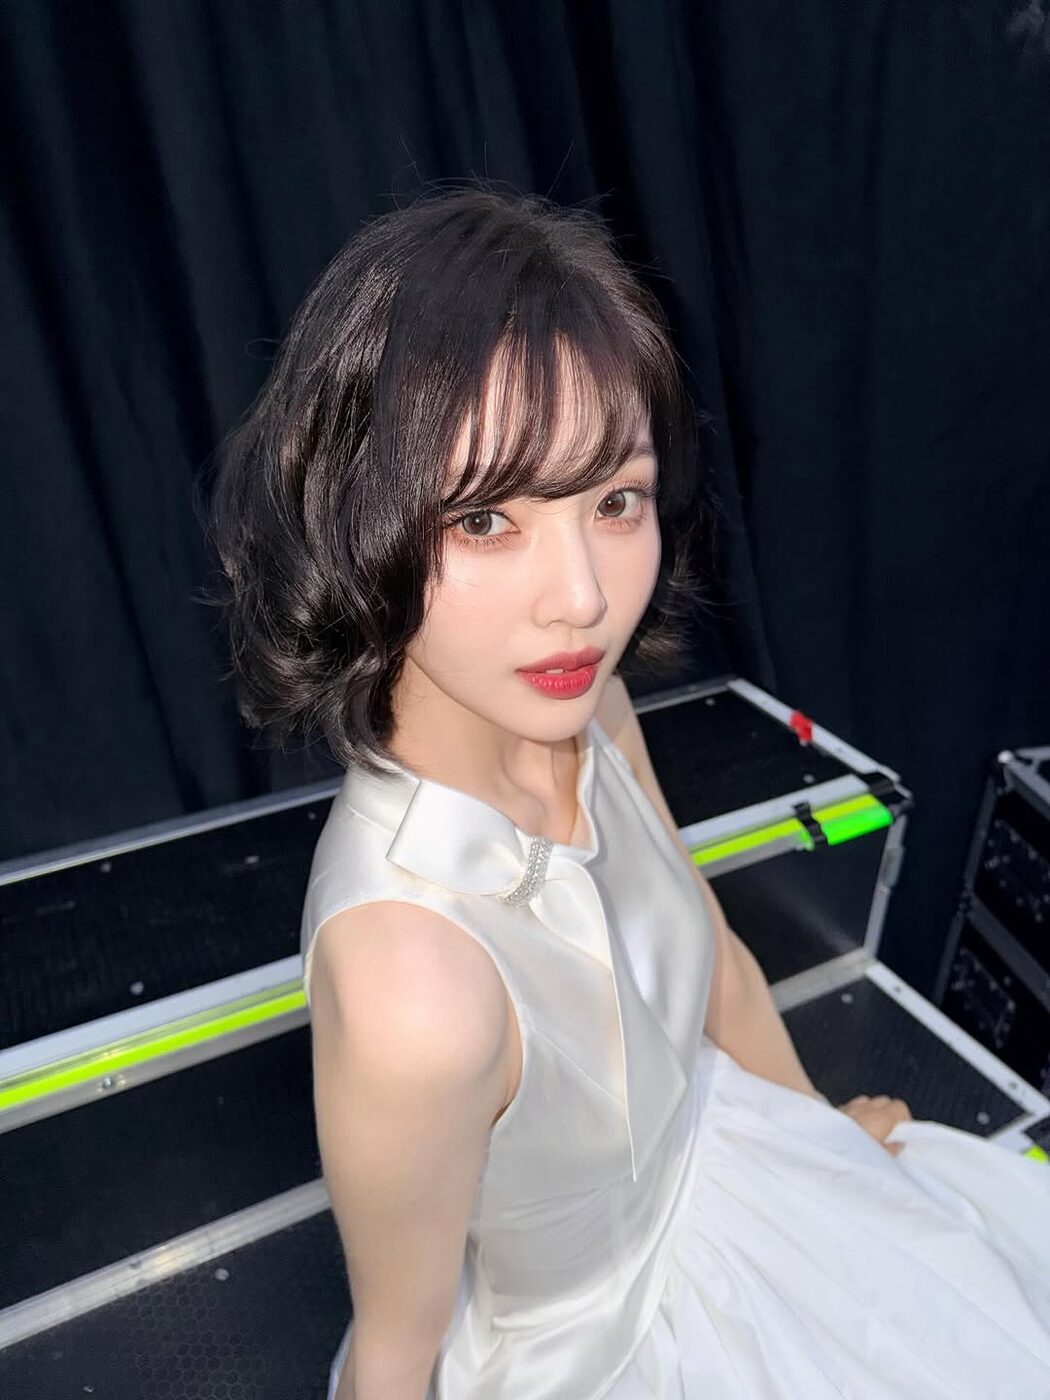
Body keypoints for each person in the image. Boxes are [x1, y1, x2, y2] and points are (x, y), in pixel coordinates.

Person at [210, 187, 1050, 1399]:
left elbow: (715, 963)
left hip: (746, 1166)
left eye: (616, 501)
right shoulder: (414, 991)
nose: (584, 599)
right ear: (356, 523)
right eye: (486, 517)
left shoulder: (590, 708)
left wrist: (828, 1137)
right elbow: (396, 1350)